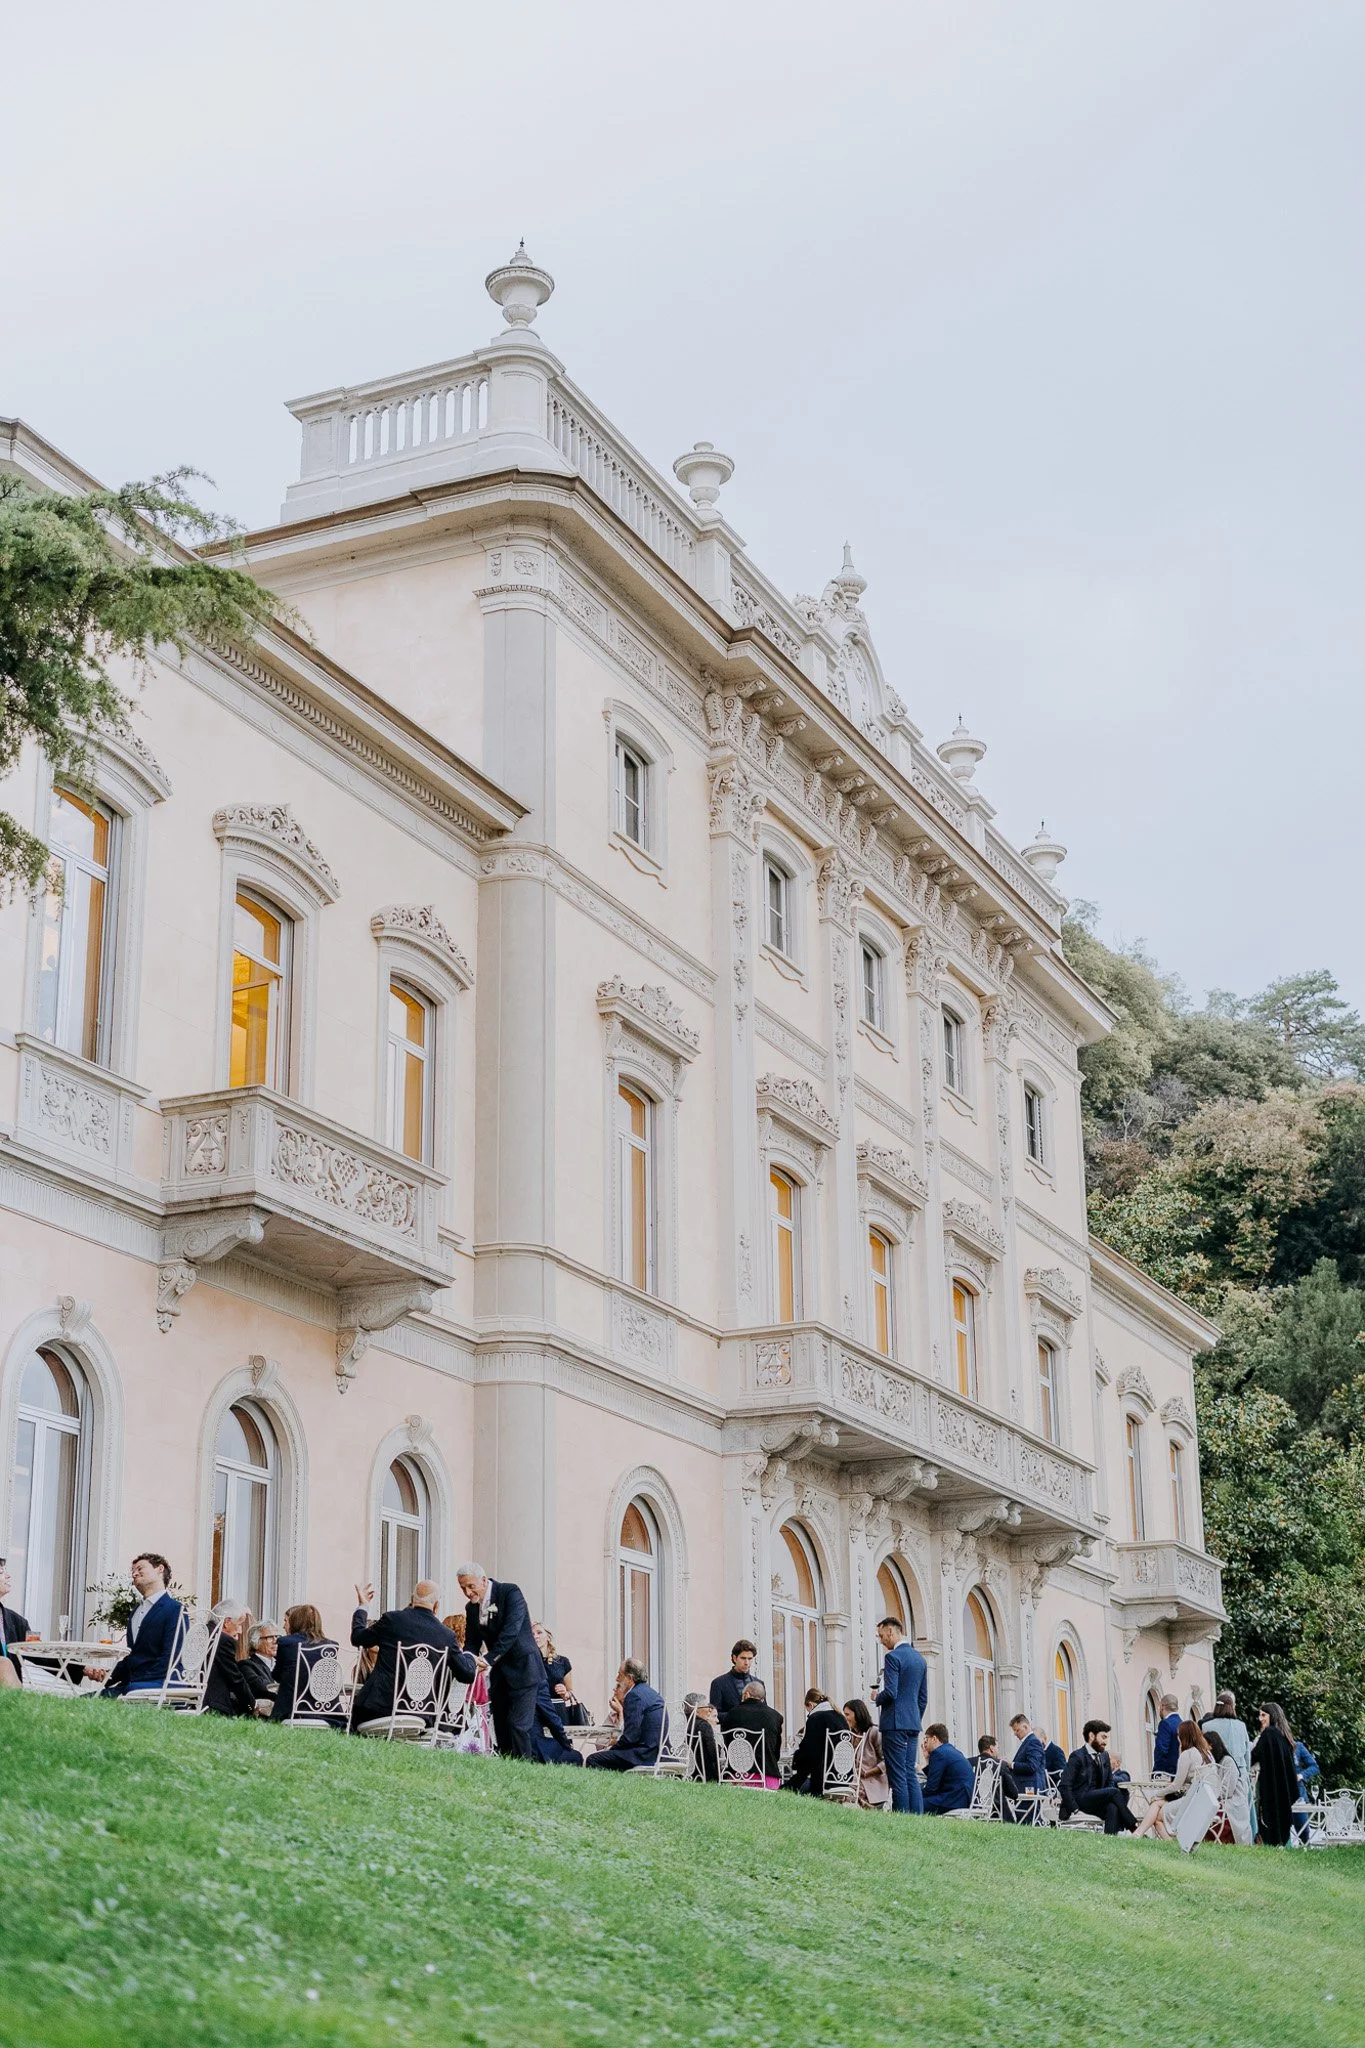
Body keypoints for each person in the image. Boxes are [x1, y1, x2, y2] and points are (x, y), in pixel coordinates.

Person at [351, 1579, 475, 1728]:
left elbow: (358, 1638)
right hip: (420, 1716)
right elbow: (467, 1674)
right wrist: (469, 1657)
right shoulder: (446, 1636)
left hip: (377, 1710)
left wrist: (363, 1606)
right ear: (436, 1606)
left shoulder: (391, 1620)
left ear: (412, 1600)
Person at [458, 1563, 541, 1760]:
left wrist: (487, 1659)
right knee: (501, 1726)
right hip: (500, 1673)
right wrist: (468, 1661)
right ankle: (506, 1771)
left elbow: (510, 1633)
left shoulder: (510, 1592)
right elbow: (471, 1642)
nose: (468, 1592)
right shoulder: (471, 1608)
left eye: (471, 1586)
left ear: (484, 1580)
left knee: (518, 1725)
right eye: (463, 1588)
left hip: (524, 1669)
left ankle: (524, 1770)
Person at [102, 1554, 183, 1698]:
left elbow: (171, 1656)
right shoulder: (135, 1612)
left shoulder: (175, 1609)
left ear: (159, 1569)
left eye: (140, 1568)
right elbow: (134, 1657)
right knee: (87, 1699)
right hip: (134, 1685)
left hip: (160, 1685)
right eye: (132, 1571)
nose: (134, 1573)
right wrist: (107, 1675)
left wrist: (138, 1682)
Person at [875, 1615, 928, 1816]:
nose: (881, 1641)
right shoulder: (919, 1659)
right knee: (909, 1772)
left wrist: (876, 1697)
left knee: (897, 1774)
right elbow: (923, 1698)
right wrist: (914, 1717)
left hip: (894, 1724)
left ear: (891, 1631)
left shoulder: (892, 1658)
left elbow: (891, 1692)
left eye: (882, 1636)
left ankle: (901, 1817)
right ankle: (916, 1817)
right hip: (913, 1724)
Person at [1133, 1720, 1214, 1839]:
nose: (1177, 1738)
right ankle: (1138, 1833)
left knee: (1157, 1817)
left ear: (1184, 1736)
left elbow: (1176, 1785)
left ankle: (1162, 1841)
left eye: (1178, 1735)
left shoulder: (1188, 1754)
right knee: (1156, 1805)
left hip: (1191, 1801)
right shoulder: (1208, 1754)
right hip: (1204, 1800)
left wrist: (1157, 1794)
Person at [1058, 1719, 1136, 1834]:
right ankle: (1134, 1827)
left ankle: (1110, 1842)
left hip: (1095, 1801)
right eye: (1103, 1737)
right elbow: (1064, 1786)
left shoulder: (1104, 1756)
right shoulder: (1077, 1756)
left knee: (1112, 1807)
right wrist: (1075, 1809)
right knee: (1114, 1792)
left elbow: (1109, 1783)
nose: (1105, 1742)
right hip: (1079, 1800)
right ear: (1091, 1736)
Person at [585, 1659, 666, 1770]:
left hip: (644, 1755)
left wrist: (611, 1749)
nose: (616, 1678)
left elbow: (630, 1737)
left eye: (620, 1674)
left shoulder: (634, 1695)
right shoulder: (653, 1694)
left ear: (629, 1679)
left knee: (593, 1759)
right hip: (659, 1753)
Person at [270, 1605, 339, 1723]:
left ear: (295, 1621)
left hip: (292, 1708)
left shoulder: (286, 1642)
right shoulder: (331, 1646)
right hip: (325, 1710)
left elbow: (277, 1675)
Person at [1201, 1690, 1254, 1829]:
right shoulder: (1241, 1726)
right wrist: (1246, 1772)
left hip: (1217, 1774)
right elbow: (1247, 1754)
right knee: (1242, 1813)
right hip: (1240, 1774)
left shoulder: (1206, 1726)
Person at [785, 1688, 849, 1796]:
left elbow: (810, 1752)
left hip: (823, 1779)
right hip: (844, 1777)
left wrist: (796, 1760)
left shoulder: (816, 1718)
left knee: (791, 1787)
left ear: (810, 1704)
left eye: (808, 1711)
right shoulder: (841, 1717)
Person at [1251, 1704, 1299, 1846]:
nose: (1260, 1719)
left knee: (1269, 1822)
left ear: (1272, 1715)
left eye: (1263, 1715)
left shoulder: (1268, 1734)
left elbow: (1254, 1756)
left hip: (1271, 1786)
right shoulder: (1284, 1735)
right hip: (1284, 1788)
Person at [720, 1680, 785, 1784]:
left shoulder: (732, 1714)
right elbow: (776, 1752)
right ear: (762, 1698)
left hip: (738, 1776)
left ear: (746, 1694)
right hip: (768, 1777)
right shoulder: (776, 1716)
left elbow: (728, 1744)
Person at [204, 1602, 258, 1718]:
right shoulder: (223, 1640)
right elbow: (235, 1678)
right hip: (213, 1704)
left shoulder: (202, 1632)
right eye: (239, 1624)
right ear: (227, 1622)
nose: (240, 1630)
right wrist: (252, 1704)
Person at [1205, 1729, 1253, 1844]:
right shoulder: (1216, 1763)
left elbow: (1228, 1791)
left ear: (1211, 1745)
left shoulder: (1228, 1762)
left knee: (1206, 1812)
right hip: (1222, 1800)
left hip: (1232, 1803)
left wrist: (1209, 1797)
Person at [843, 1697, 892, 1809]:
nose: (845, 1718)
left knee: (849, 1795)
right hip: (854, 1779)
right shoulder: (850, 1734)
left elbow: (886, 1760)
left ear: (858, 1714)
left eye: (847, 1715)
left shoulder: (874, 1732)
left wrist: (869, 1772)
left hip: (870, 1781)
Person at [921, 1724, 974, 1815]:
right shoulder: (952, 1751)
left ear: (934, 1739)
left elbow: (931, 1788)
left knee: (915, 1804)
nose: (925, 1743)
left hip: (953, 1799)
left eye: (926, 1739)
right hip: (964, 1797)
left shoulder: (938, 1753)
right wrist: (927, 1759)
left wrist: (913, 1795)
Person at [976, 1734, 1024, 1820]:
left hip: (974, 1808)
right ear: (991, 1748)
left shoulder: (969, 1763)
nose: (998, 1751)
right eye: (997, 1748)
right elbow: (1013, 1793)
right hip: (996, 1812)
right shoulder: (1000, 1764)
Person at [0, 1560, 32, 1688]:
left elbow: (40, 1652)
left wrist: (83, 1669)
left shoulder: (17, 1621)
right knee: (4, 1664)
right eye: (1, 1572)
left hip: (8, 1696)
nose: (8, 1576)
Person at [709, 1640, 759, 1719]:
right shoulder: (719, 1683)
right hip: (731, 1730)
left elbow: (764, 1711)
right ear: (734, 1658)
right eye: (743, 1658)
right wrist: (737, 1715)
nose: (747, 1663)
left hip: (756, 1731)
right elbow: (714, 1714)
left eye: (750, 1659)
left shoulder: (759, 1683)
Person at [240, 1621, 280, 1711]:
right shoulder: (246, 1665)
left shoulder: (282, 1664)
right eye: (270, 1637)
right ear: (256, 1643)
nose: (275, 1641)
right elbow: (261, 1687)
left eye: (277, 1637)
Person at [683, 1693, 721, 1782]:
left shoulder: (683, 1723)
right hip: (702, 1772)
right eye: (706, 1707)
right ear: (696, 1711)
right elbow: (713, 1752)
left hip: (685, 1770)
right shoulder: (703, 1725)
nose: (709, 1710)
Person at [1008, 1713, 1047, 1798]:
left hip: (1030, 1790)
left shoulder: (1033, 1742)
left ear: (1025, 1727)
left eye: (1017, 1730)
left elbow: (1032, 1766)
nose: (1015, 1734)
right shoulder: (1028, 1742)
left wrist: (1011, 1764)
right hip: (1026, 1789)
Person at [1152, 1694, 1182, 1777]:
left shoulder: (1165, 1724)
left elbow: (1161, 1750)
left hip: (1167, 1774)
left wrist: (1157, 1772)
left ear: (1162, 1706)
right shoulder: (1182, 1723)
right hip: (1180, 1771)